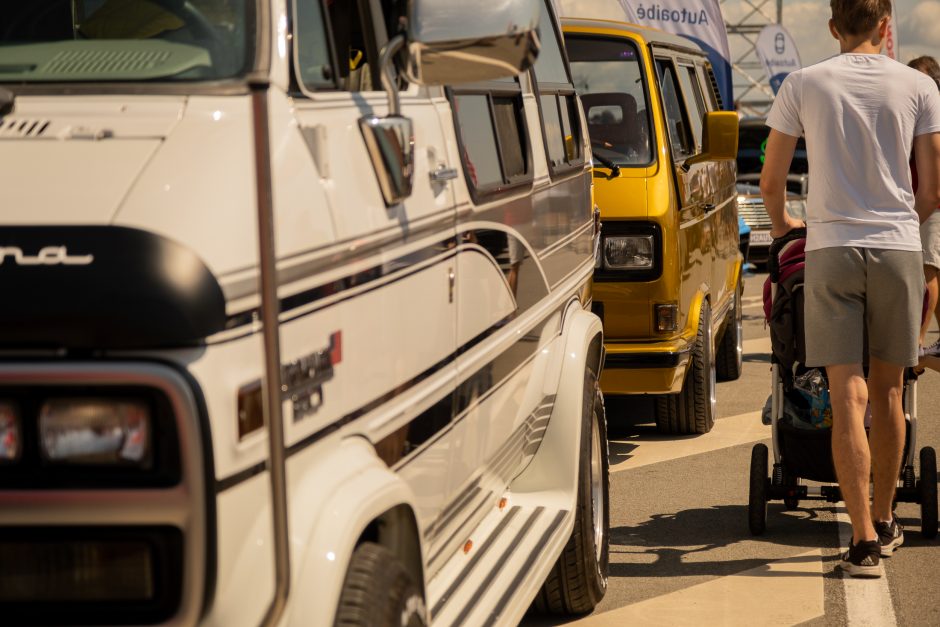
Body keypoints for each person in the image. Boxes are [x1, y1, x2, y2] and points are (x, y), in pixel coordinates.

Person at [760, 0, 940, 578]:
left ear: (833, 26)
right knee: (891, 392)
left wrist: (789, 225)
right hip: (898, 247)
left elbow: (770, 182)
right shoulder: (919, 86)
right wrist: (900, 227)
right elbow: (932, 189)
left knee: (847, 398)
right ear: (886, 26)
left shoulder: (802, 83)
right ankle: (886, 520)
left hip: (830, 250)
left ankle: (861, 538)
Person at [909, 56, 940, 358]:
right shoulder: (919, 115)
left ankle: (916, 341)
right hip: (922, 203)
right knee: (933, 273)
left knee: (926, 273)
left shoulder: (935, 116)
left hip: (932, 206)